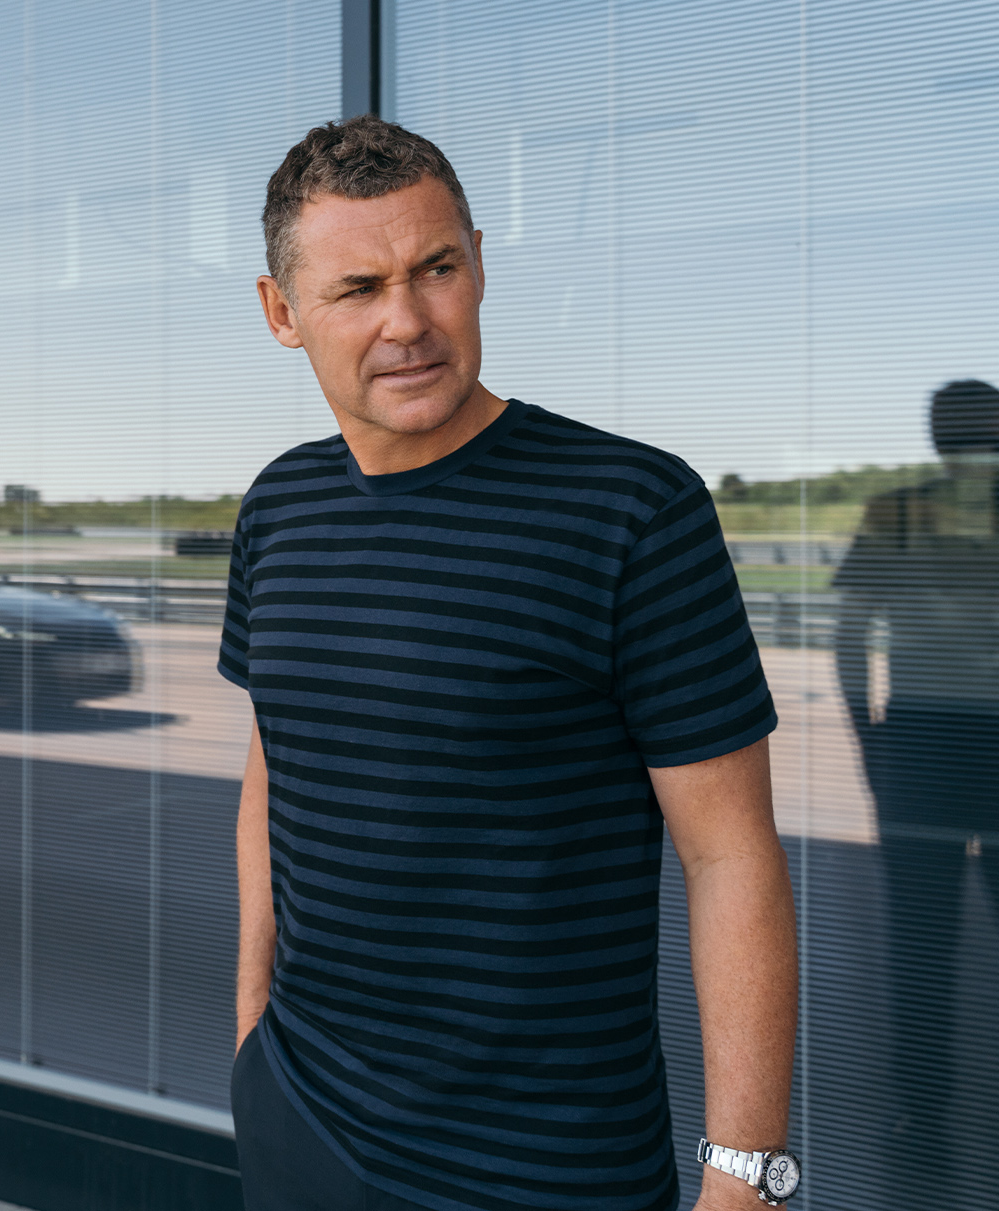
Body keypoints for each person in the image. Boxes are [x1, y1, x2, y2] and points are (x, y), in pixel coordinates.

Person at [222, 115, 799, 1211]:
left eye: (436, 268)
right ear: (283, 313)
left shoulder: (632, 509)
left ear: (479, 264)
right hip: (302, 1117)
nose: (409, 321)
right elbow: (274, 762)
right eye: (358, 288)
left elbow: (731, 856)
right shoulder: (278, 507)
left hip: (548, 1167)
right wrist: (253, 1027)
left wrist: (748, 1177)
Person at [832, 379, 998, 1181]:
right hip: (955, 742)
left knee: (921, 942)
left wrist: (872, 742)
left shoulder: (897, 512)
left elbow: (848, 636)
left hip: (923, 746)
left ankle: (923, 1111)